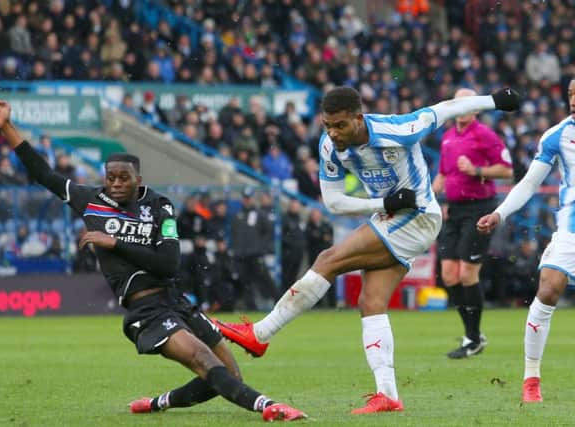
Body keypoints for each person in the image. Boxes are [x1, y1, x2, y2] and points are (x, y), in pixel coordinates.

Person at [0, 84, 305, 422]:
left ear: (138, 179)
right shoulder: (90, 201)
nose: (115, 184)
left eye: (123, 178)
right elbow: (43, 174)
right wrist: (6, 128)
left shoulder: (160, 206)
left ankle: (158, 403)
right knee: (204, 360)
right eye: (110, 178)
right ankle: (269, 406)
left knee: (229, 377)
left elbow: (168, 263)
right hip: (144, 309)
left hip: (177, 299)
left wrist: (113, 242)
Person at [214, 86, 520, 413]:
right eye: (327, 125)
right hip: (390, 214)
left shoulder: (398, 129)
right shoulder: (330, 146)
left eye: (340, 125)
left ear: (359, 118)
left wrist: (494, 101)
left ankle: (261, 333)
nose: (333, 133)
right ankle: (387, 394)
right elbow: (333, 201)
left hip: (418, 217)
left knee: (328, 260)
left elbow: (444, 108)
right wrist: (383, 202)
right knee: (370, 302)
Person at [477, 78, 575, 404]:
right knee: (547, 289)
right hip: (570, 231)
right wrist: (499, 214)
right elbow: (529, 183)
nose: (573, 99)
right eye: (571, 93)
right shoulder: (558, 135)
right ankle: (531, 379)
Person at [431, 88, 513, 359]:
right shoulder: (448, 137)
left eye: (467, 103)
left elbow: (507, 170)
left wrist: (477, 171)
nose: (461, 106)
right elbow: (443, 174)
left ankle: (473, 338)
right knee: (449, 275)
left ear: (477, 109)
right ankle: (473, 335)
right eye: (457, 102)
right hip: (453, 211)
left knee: (467, 273)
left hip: (479, 209)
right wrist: (431, 198)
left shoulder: (485, 135)